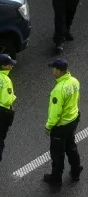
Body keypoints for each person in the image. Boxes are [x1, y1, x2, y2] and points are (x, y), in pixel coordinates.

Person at [43, 58, 83, 186]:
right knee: (71, 146)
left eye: (53, 68)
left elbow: (55, 113)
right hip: (73, 120)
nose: (52, 70)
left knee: (57, 153)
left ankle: (56, 178)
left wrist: (48, 127)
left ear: (59, 71)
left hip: (61, 126)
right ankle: (76, 171)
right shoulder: (74, 81)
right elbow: (77, 99)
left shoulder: (58, 90)